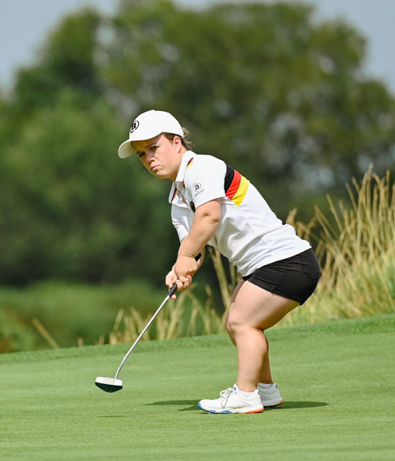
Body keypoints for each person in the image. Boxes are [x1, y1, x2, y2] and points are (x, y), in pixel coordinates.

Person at [117, 110, 321, 414]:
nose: (148, 158)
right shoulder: (177, 200)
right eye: (141, 154)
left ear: (176, 142)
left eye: (153, 148)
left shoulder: (203, 167)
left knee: (243, 323)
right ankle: (265, 391)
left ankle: (246, 395)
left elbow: (209, 216)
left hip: (286, 260)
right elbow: (194, 248)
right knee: (234, 325)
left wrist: (185, 257)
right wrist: (180, 272)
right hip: (264, 266)